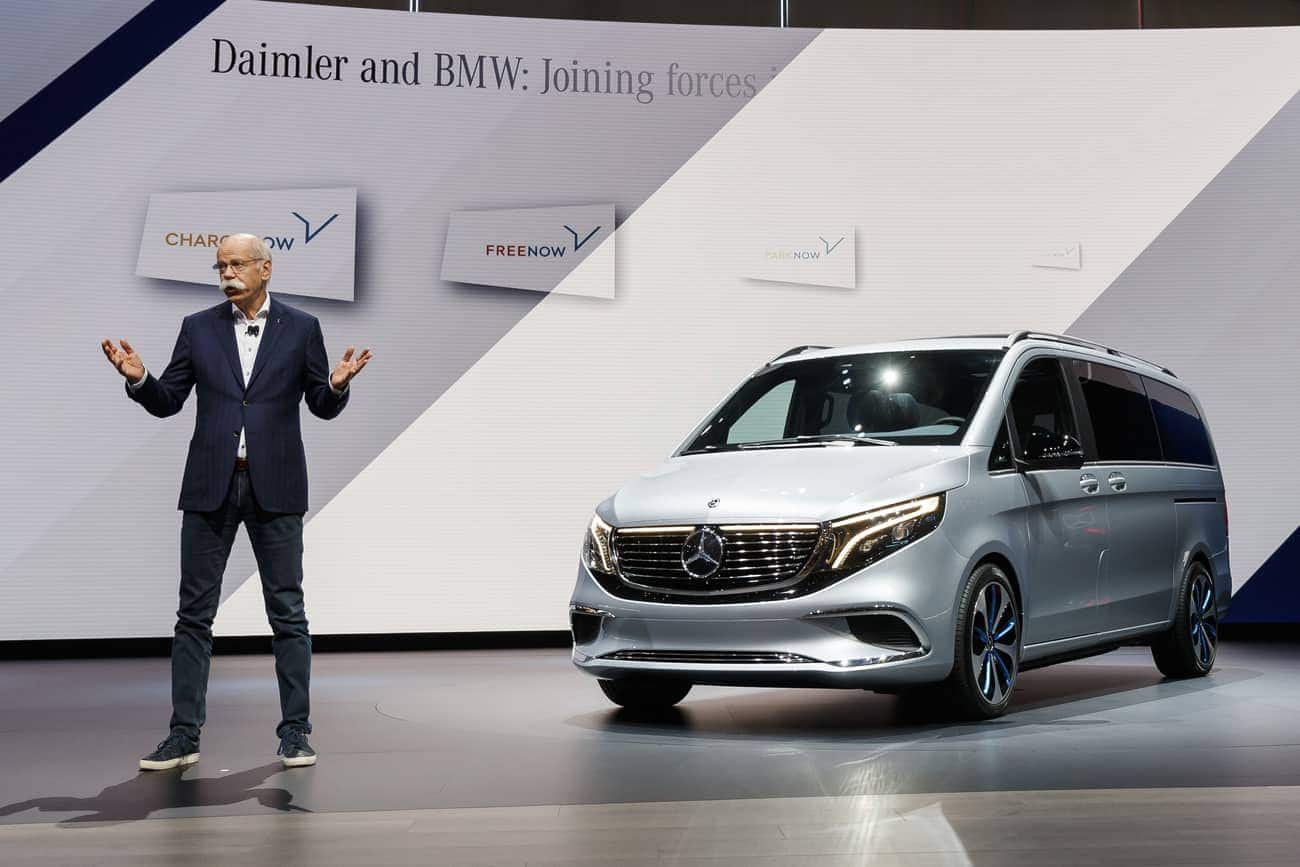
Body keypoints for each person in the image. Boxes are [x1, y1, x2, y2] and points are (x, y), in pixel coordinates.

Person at [100, 233, 372, 771]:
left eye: (237, 264)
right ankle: (183, 735)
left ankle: (295, 732)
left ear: (265, 269)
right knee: (192, 617)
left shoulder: (301, 328)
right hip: (210, 485)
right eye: (220, 264)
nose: (227, 272)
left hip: (276, 485)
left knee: (287, 612)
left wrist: (337, 385)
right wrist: (139, 380)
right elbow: (169, 401)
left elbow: (320, 405)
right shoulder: (198, 328)